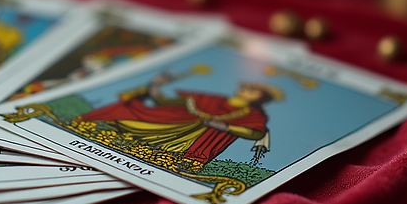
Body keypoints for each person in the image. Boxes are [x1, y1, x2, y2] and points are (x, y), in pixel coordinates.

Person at [77, 72, 284, 169]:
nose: (247, 90)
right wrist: (155, 86)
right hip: (168, 120)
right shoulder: (209, 98)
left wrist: (224, 126)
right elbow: (162, 102)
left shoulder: (255, 114)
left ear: (261, 98)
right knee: (130, 113)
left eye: (254, 91)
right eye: (247, 86)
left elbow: (256, 133)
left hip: (201, 138)